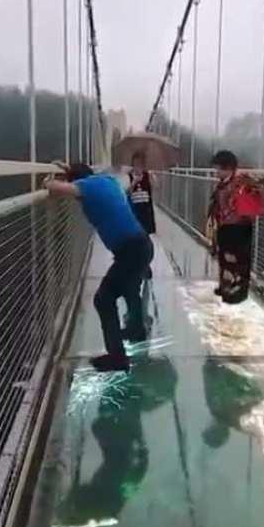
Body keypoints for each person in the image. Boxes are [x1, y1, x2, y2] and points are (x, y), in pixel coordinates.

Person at [44, 163, 154, 372]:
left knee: (103, 299)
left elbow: (57, 188)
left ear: (76, 180)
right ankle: (136, 331)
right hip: (141, 245)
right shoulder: (107, 181)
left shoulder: (85, 186)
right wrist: (70, 169)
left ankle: (117, 358)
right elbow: (81, 180)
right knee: (130, 288)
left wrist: (47, 180)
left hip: (130, 251)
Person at [206, 150, 264, 304]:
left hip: (239, 227)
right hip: (225, 226)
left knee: (238, 261)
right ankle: (225, 287)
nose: (216, 172)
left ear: (228, 168)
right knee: (225, 258)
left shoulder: (241, 179)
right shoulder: (222, 183)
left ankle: (236, 293)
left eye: (218, 168)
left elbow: (261, 181)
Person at [127, 151, 156, 279]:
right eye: (136, 163)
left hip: (146, 211)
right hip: (134, 211)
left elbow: (157, 187)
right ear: (132, 164)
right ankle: (140, 265)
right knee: (136, 241)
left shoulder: (147, 175)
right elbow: (126, 192)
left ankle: (145, 265)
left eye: (140, 164)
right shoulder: (128, 176)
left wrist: (152, 177)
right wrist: (134, 182)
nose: (138, 166)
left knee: (146, 240)